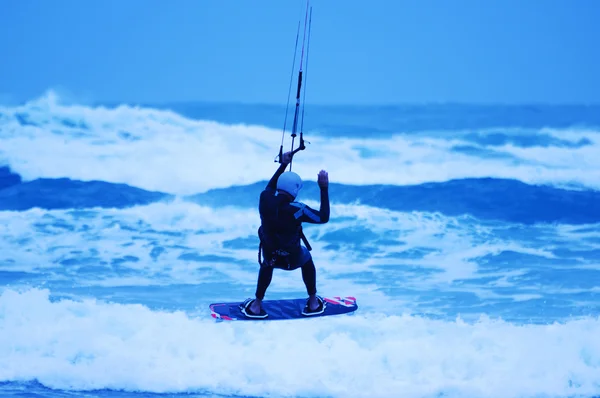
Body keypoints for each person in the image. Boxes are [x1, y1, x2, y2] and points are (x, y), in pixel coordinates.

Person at [241, 151, 330, 319]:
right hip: (292, 259)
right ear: (295, 190)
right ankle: (312, 302)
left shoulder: (265, 199)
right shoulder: (298, 209)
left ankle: (256, 305)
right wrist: (323, 188)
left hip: (270, 256)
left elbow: (270, 187)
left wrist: (283, 165)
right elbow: (323, 217)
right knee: (307, 258)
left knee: (267, 263)